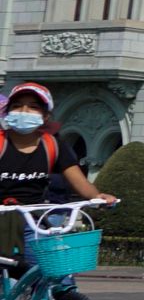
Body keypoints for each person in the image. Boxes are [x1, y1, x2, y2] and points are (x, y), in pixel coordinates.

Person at [0, 82, 102, 268]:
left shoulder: (52, 145)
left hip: (34, 218)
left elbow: (78, 181)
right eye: (17, 106)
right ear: (7, 112)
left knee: (53, 269)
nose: (24, 112)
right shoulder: (1, 142)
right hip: (2, 215)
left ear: (45, 116)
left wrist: (98, 196)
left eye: (33, 107)